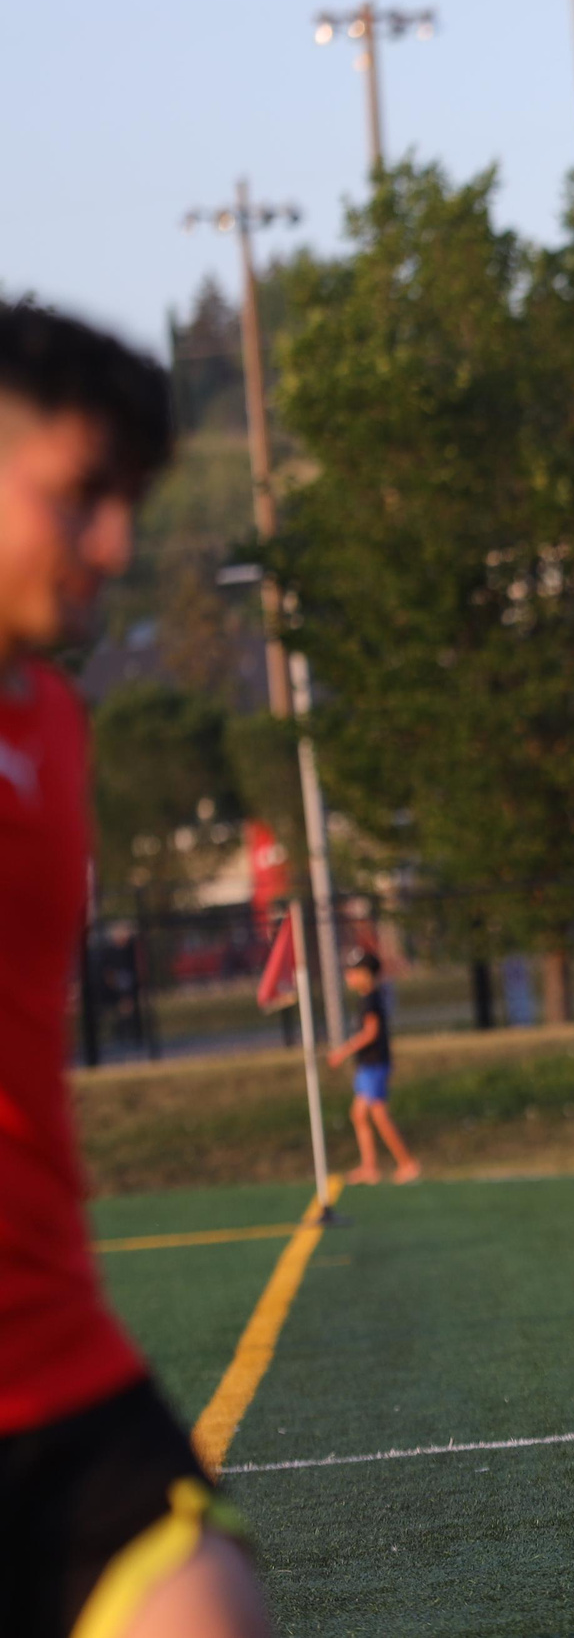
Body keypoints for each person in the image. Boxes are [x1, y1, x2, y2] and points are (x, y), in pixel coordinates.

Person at [0, 302, 269, 1636]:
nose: (116, 539)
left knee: (209, 1607)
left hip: (53, 1371)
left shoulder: (51, 722)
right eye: (78, 496)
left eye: (131, 501)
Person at [327, 951, 419, 1185]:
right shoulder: (365, 998)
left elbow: (371, 1032)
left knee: (378, 1115)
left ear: (366, 975)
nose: (348, 976)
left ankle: (407, 1163)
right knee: (359, 1115)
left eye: (353, 972)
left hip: (375, 1065)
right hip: (369, 1065)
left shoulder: (371, 999)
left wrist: (343, 1051)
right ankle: (370, 1167)